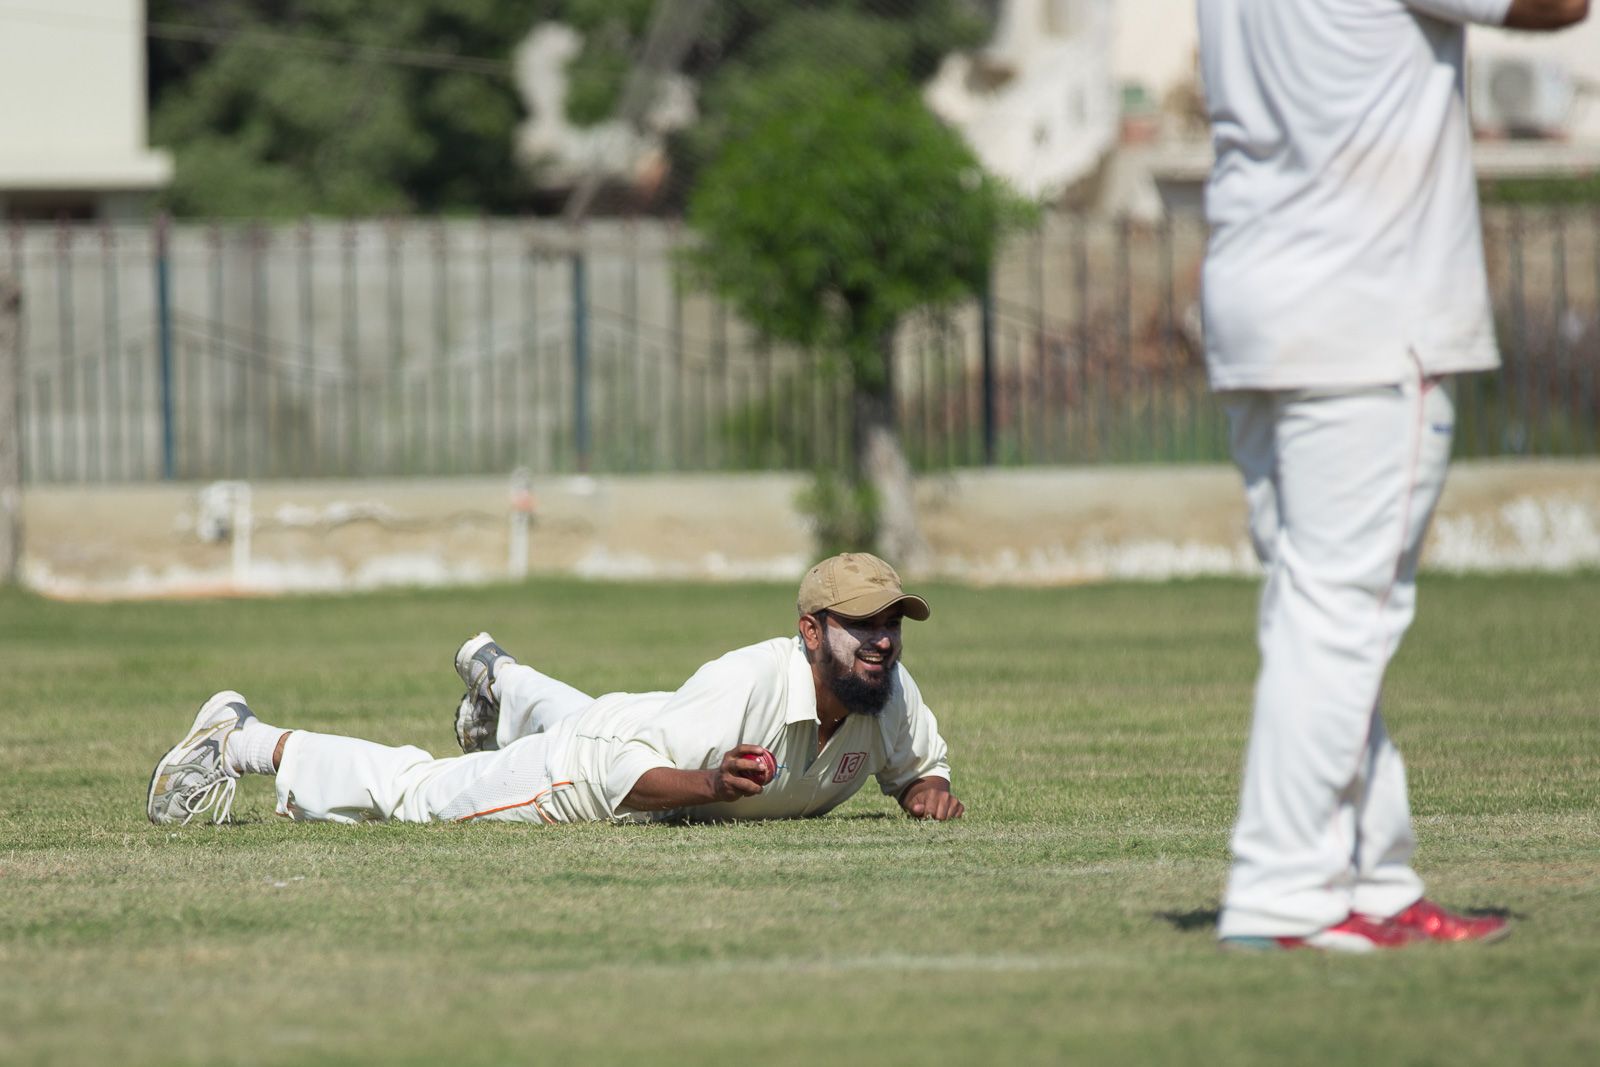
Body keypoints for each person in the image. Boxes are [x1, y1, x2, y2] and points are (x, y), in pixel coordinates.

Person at [1197, 0, 1589, 952]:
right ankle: (1284, 890)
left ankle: (1373, 875)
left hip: (1254, 292)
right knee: (1340, 610)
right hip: (1365, 303)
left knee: (1313, 605)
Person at [146, 552, 964, 828]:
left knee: (595, 712)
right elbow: (623, 775)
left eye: (893, 622)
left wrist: (927, 790)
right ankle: (241, 737)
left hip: (631, 718)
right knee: (416, 794)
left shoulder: (888, 691)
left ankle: (500, 679)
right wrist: (713, 784)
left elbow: (919, 766)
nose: (883, 640)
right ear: (812, 631)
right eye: (863, 624)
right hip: (583, 775)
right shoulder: (743, 682)